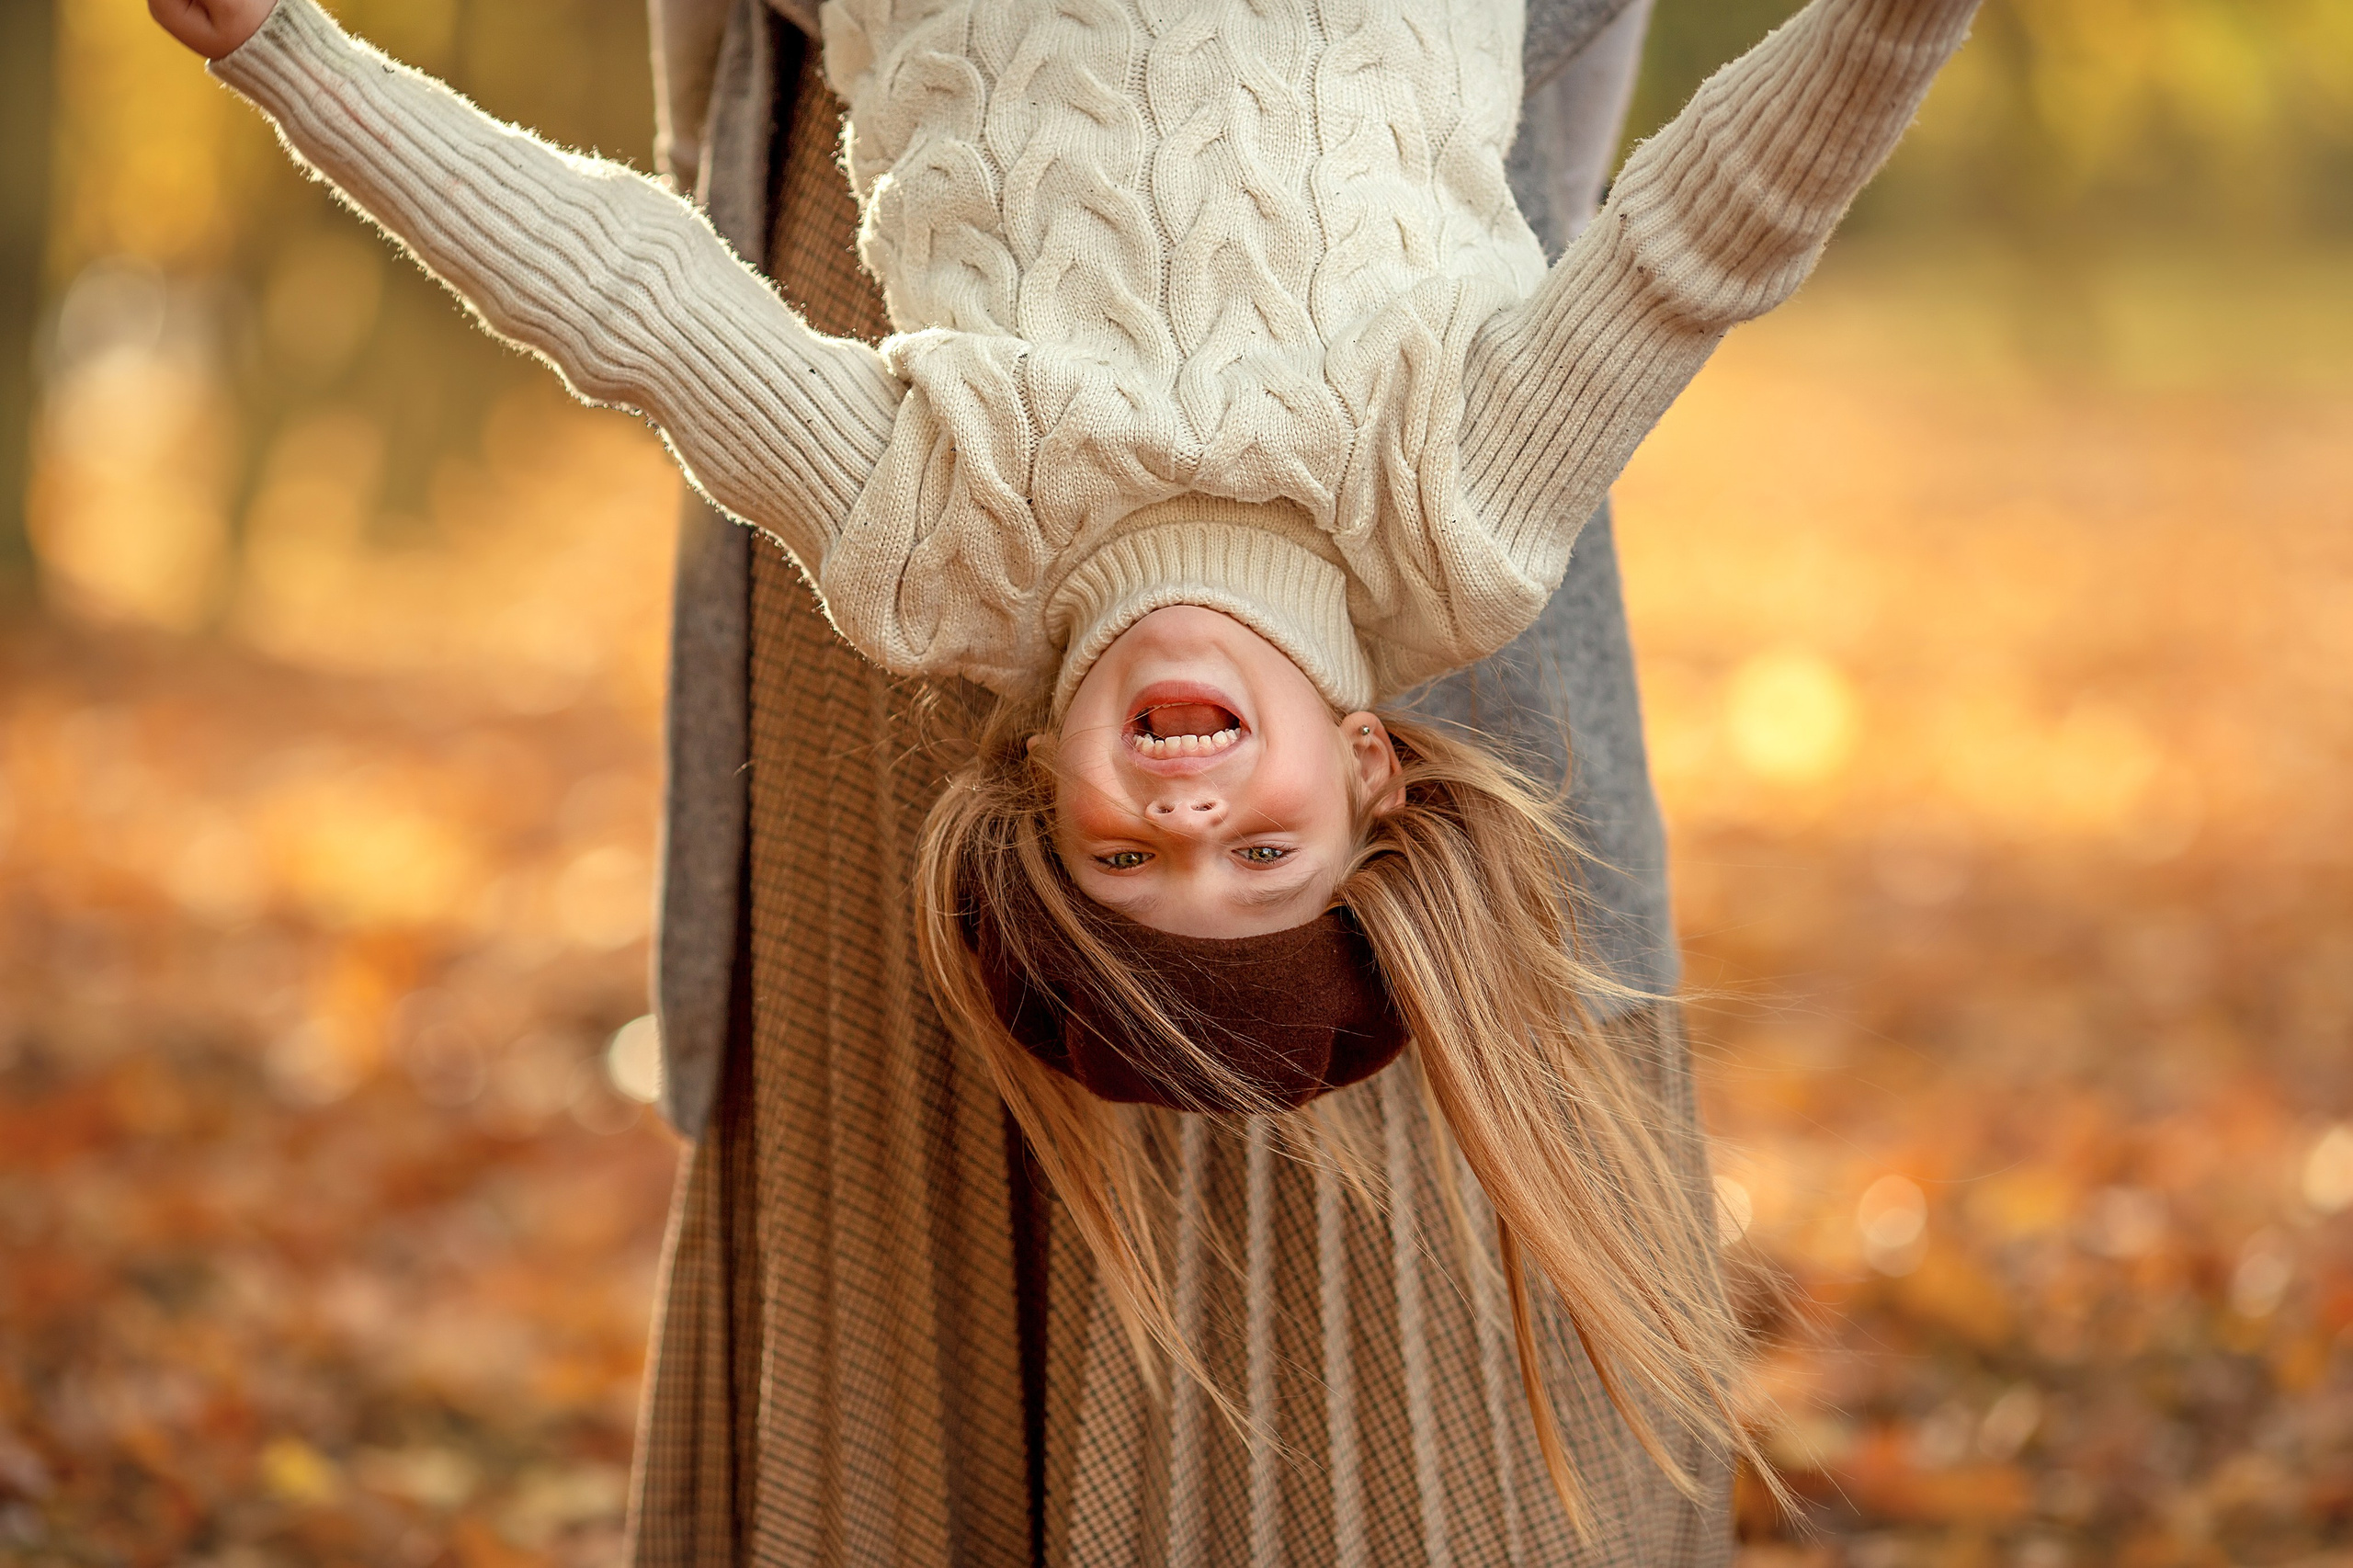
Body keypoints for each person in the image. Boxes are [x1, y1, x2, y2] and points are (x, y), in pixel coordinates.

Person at [149, 0, 1975, 1556]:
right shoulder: (1465, 516)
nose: (1192, 827)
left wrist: (287, 55)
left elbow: (628, 306)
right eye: (1264, 853)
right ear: (1366, 771)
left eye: (1125, 862)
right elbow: (1705, 235)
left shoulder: (934, 545)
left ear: (1042, 779)